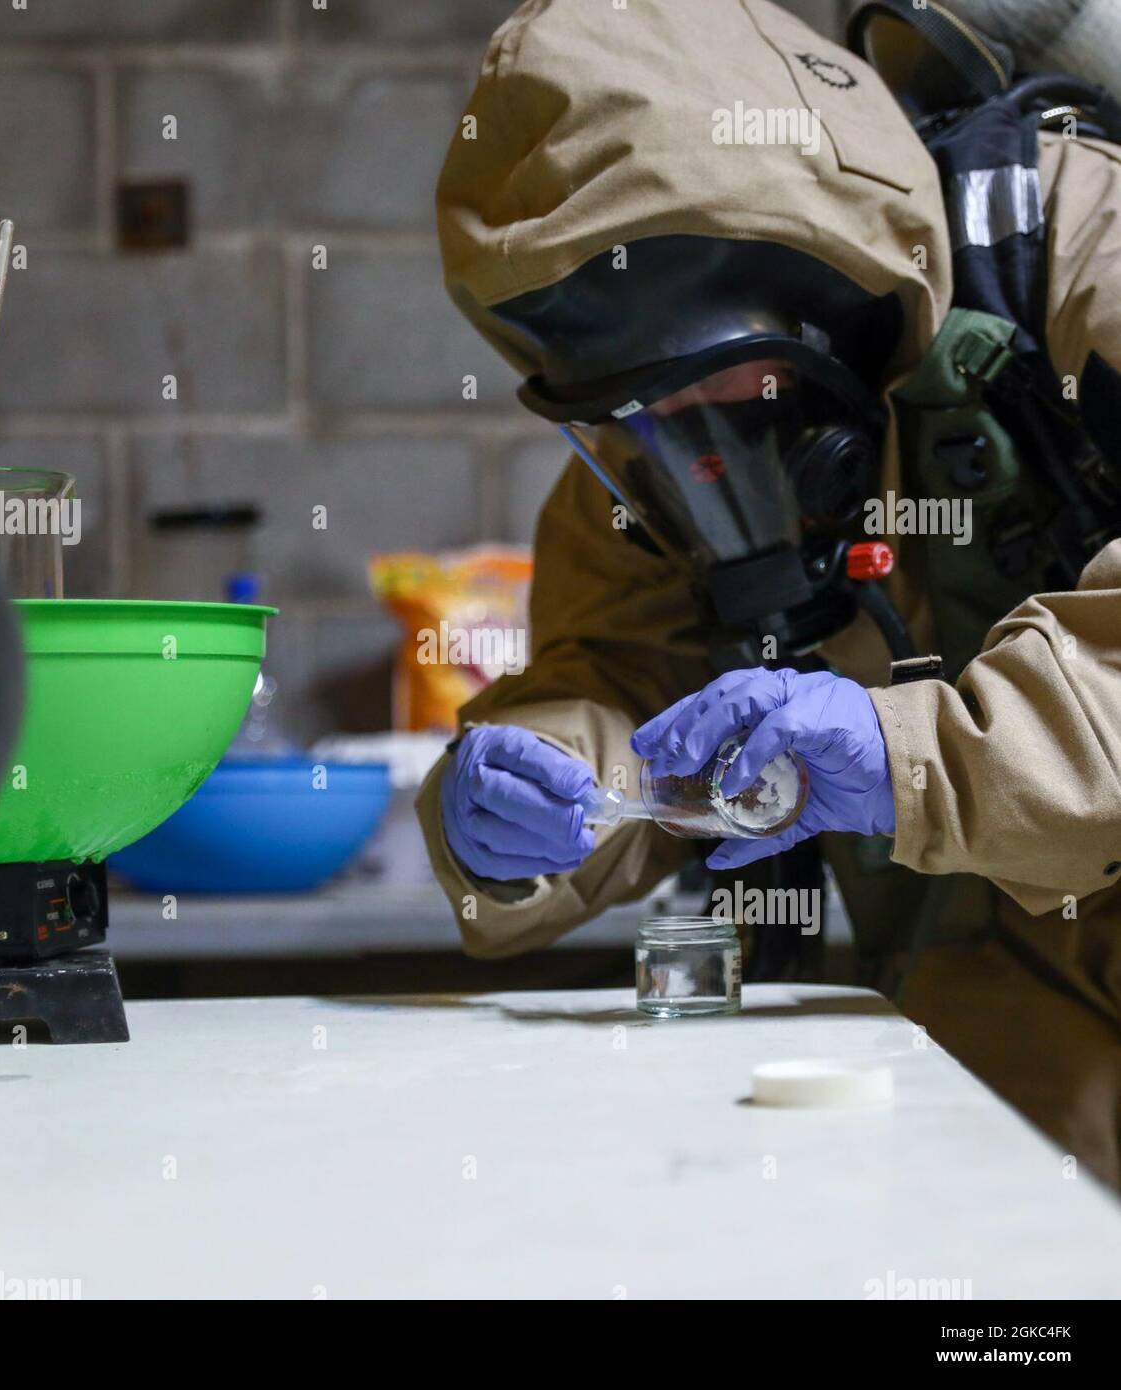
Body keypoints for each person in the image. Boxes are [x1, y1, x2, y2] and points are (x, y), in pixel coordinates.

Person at [419, 0, 1121, 1186]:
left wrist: (918, 757)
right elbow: (615, 673)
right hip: (1002, 1109)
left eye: (708, 389)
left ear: (807, 278)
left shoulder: (1075, 250)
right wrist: (538, 791)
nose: (685, 453)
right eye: (634, 413)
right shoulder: (657, 445)